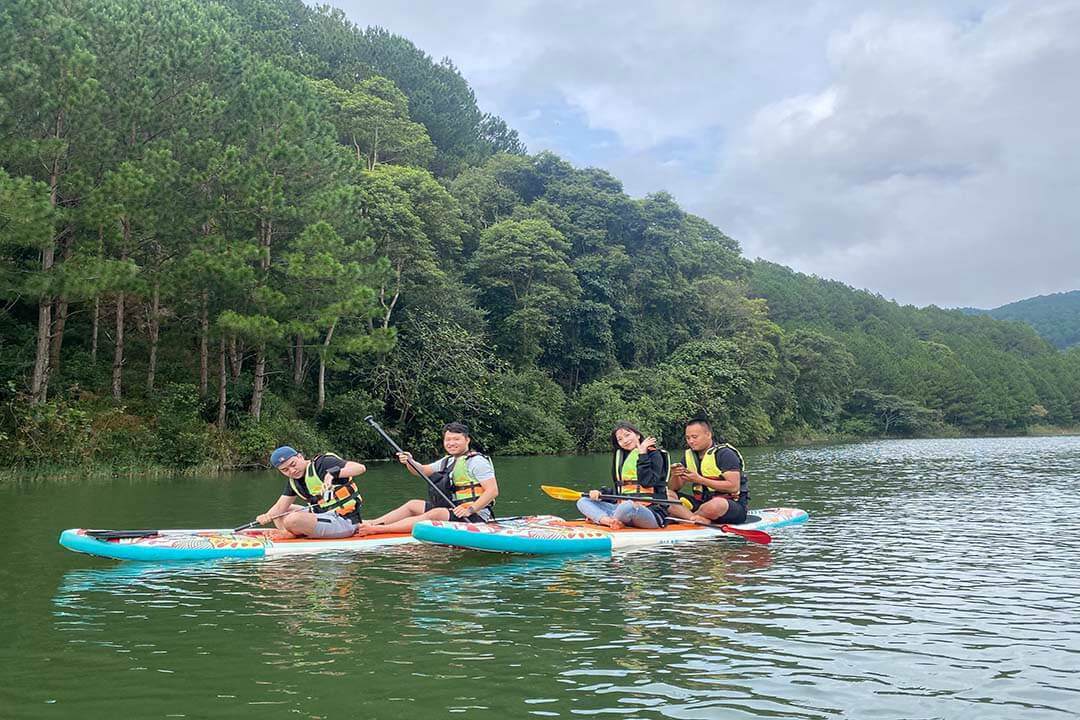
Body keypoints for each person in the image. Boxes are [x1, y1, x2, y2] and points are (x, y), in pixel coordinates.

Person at [356, 422, 498, 536]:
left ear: (467, 440)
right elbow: (421, 471)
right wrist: (410, 461)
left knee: (435, 514)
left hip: (475, 514)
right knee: (413, 504)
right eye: (448, 439)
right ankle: (375, 522)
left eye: (456, 439)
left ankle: (379, 530)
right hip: (452, 508)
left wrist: (470, 510)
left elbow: (492, 491)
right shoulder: (448, 460)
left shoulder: (477, 461)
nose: (451, 443)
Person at [257, 446, 367, 539]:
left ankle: (290, 534)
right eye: (285, 470)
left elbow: (360, 468)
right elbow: (279, 507)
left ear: (300, 457)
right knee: (281, 513)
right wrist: (266, 516)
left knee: (292, 519)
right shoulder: (294, 482)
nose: (292, 471)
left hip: (346, 521)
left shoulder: (322, 463)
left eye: (293, 464)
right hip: (322, 517)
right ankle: (291, 534)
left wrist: (332, 474)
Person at [576, 421, 670, 529]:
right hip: (620, 509)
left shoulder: (654, 454)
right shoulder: (621, 459)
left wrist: (643, 455)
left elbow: (647, 482)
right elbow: (620, 490)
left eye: (627, 435)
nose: (625, 440)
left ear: (638, 435)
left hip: (649, 511)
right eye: (620, 439)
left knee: (627, 506)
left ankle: (601, 519)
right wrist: (601, 493)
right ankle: (609, 521)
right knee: (583, 501)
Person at [667, 418, 749, 525]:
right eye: (688, 438)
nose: (691, 441)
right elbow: (674, 488)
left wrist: (699, 479)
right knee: (665, 495)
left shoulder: (725, 454)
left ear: (708, 435)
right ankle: (695, 520)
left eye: (695, 437)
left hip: (729, 505)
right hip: (701, 504)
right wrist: (675, 475)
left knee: (716, 504)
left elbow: (733, 487)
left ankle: (685, 518)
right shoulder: (689, 457)